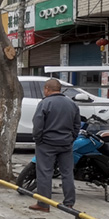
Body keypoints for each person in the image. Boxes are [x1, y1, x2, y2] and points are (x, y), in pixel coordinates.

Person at [30, 78, 80, 212]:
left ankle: (43, 204)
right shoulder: (71, 104)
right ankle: (69, 203)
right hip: (66, 144)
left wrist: (38, 139)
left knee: (45, 173)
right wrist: (71, 139)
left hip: (47, 144)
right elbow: (77, 125)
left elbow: (38, 125)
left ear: (47, 89)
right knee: (67, 173)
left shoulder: (45, 103)